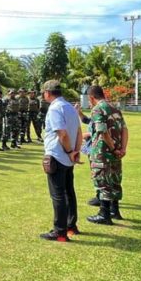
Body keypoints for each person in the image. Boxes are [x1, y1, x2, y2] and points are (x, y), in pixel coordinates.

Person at [39, 80, 82, 242]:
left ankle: (60, 231)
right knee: (69, 193)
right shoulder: (70, 107)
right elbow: (78, 131)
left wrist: (71, 151)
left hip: (57, 155)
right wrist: (75, 151)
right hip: (68, 157)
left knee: (58, 195)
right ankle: (71, 225)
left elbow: (62, 134)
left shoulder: (55, 108)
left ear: (48, 93)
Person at [85, 85, 129, 225]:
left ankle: (104, 214)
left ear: (91, 97)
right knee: (114, 179)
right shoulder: (115, 108)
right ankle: (114, 211)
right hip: (116, 151)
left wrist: (113, 148)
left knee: (103, 180)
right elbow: (125, 130)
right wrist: (122, 148)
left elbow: (102, 132)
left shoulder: (97, 109)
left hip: (103, 152)